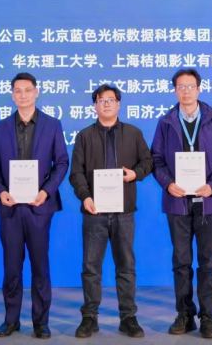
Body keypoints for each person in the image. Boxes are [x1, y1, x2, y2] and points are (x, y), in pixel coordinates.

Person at [151, 68, 212, 339]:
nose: (186, 91)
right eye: (181, 87)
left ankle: (208, 317)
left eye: (190, 86)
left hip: (209, 201)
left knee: (208, 261)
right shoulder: (166, 122)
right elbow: (156, 159)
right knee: (181, 261)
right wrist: (168, 184)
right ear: (175, 90)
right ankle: (184, 315)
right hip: (178, 201)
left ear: (199, 89)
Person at [0, 72, 70, 339]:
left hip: (39, 206)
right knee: (12, 267)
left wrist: (46, 191)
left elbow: (62, 162)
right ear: (12, 95)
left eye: (27, 90)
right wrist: (1, 191)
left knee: (39, 266)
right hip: (10, 207)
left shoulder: (52, 124)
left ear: (36, 92)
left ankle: (40, 322)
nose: (23, 95)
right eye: (17, 91)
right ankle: (11, 320)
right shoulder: (0, 128)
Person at [69, 84, 154, 338]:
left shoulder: (133, 133)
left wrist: (135, 174)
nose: (106, 104)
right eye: (101, 100)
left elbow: (148, 162)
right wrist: (85, 197)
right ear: (94, 105)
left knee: (126, 266)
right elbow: (76, 173)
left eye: (111, 99)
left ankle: (128, 317)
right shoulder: (84, 136)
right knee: (91, 267)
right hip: (94, 211)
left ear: (119, 104)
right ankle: (89, 317)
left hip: (124, 211)